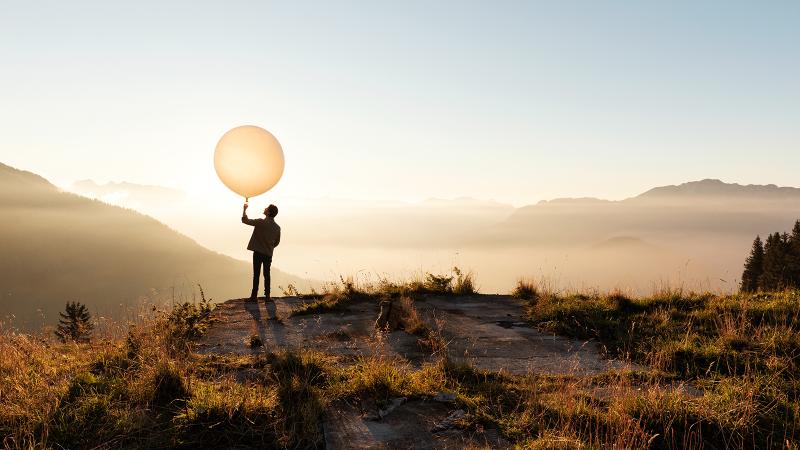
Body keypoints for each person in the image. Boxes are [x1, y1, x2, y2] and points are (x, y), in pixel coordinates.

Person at [242, 202, 281, 301]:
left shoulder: (260, 222)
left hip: (258, 253)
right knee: (267, 274)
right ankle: (267, 296)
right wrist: (269, 247)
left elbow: (245, 220)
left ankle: (254, 296)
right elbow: (276, 242)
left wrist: (244, 209)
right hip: (268, 253)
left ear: (268, 212)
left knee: (256, 274)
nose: (265, 208)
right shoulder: (277, 227)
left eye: (266, 208)